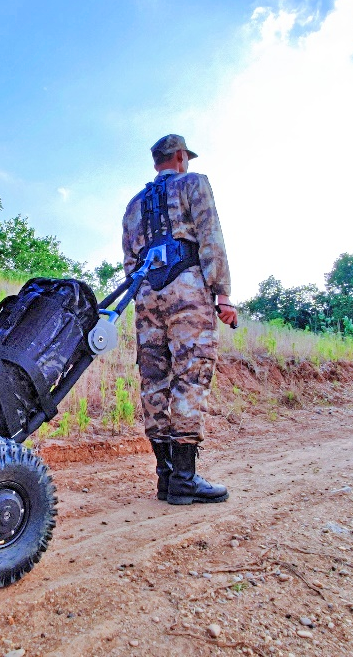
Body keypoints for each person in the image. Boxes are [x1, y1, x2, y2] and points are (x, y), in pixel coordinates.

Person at [121, 134, 236, 505]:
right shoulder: (193, 183)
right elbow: (210, 235)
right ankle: (184, 480)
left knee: (153, 380)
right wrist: (222, 293)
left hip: (146, 293)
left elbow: (129, 260)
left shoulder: (133, 205)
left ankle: (166, 477)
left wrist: (144, 293)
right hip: (186, 286)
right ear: (181, 156)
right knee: (191, 373)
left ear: (157, 161)